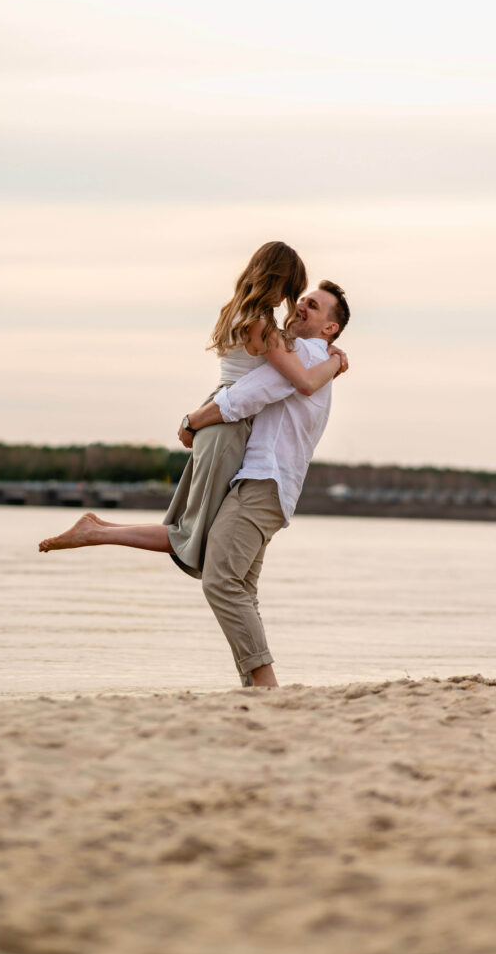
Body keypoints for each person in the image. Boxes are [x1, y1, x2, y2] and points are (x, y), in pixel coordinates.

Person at [39, 279, 351, 689]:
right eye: (303, 300)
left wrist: (192, 420)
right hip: (263, 484)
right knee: (239, 585)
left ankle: (265, 683)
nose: (301, 308)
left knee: (221, 580)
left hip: (264, 482)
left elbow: (247, 394)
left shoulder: (309, 354)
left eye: (313, 306)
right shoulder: (316, 358)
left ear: (330, 329)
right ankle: (257, 685)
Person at [39, 243, 345, 574]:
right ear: (281, 281)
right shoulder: (265, 326)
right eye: (293, 290)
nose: (293, 301)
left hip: (219, 412)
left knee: (193, 531)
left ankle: (97, 529)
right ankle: (95, 532)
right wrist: (335, 361)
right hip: (228, 422)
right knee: (195, 536)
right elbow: (303, 380)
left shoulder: (238, 312)